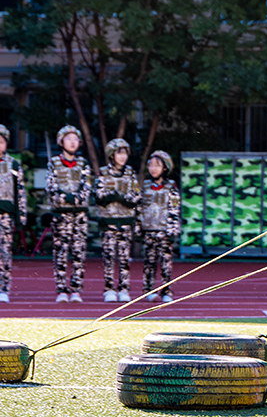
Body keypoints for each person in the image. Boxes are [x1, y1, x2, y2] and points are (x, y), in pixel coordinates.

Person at [46, 125, 93, 303]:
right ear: (61, 142)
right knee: (60, 252)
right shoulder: (54, 163)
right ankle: (61, 290)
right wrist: (64, 197)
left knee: (79, 252)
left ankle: (76, 289)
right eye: (68, 138)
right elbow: (50, 188)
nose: (72, 142)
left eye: (75, 139)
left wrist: (77, 198)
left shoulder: (83, 164)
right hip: (61, 215)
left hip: (79, 215)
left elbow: (87, 187)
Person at [95, 138, 141, 303]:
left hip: (126, 221)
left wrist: (120, 197)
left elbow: (136, 195)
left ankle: (124, 288)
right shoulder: (103, 173)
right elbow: (99, 195)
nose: (122, 157)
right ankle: (109, 288)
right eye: (119, 153)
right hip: (109, 221)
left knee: (124, 257)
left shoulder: (130, 173)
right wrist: (111, 196)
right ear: (111, 155)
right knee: (109, 256)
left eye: (125, 153)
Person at [137, 150, 181, 302]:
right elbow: (139, 207)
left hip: (164, 231)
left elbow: (175, 208)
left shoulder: (171, 187)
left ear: (165, 168)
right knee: (149, 262)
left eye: (158, 165)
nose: (153, 168)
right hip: (149, 230)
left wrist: (173, 228)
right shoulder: (145, 186)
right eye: (151, 165)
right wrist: (139, 226)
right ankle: (148, 290)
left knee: (165, 262)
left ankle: (166, 290)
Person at [0, 125, 26, 303]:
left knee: (4, 253)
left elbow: (20, 192)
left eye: (0, 142)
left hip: (5, 217)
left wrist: (21, 216)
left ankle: (3, 288)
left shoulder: (13, 165)